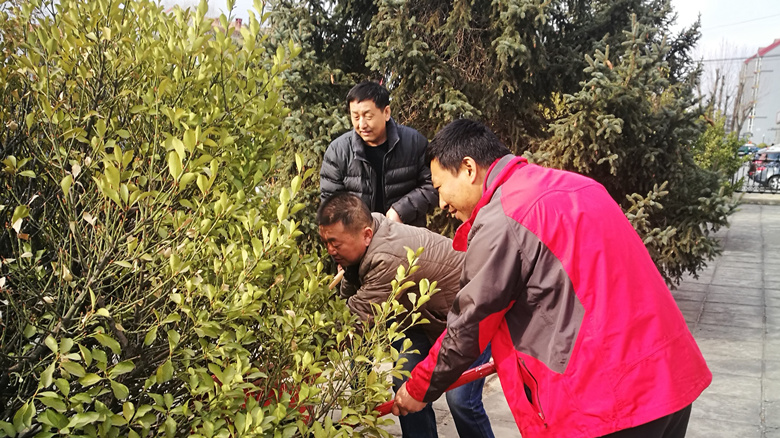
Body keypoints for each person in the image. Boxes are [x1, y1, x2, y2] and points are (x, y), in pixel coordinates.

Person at [391, 119, 712, 438]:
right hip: (668, 380)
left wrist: (419, 387)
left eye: (440, 188)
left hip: (610, 404)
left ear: (468, 168)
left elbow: (470, 324)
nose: (441, 203)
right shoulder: (577, 186)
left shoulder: (504, 217)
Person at [317, 192, 494, 438]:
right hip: (426, 320)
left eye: (335, 244)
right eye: (326, 242)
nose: (330, 250)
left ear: (366, 235)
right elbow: (349, 297)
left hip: (470, 316)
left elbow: (355, 319)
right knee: (406, 387)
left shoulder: (386, 257)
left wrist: (310, 355)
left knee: (461, 400)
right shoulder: (369, 232)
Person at [320, 81, 437, 227]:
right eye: (356, 117)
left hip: (406, 232)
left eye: (368, 116)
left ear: (386, 112)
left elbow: (433, 184)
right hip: (359, 236)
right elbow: (331, 202)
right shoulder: (338, 151)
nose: (362, 125)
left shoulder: (414, 142)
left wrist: (401, 211)